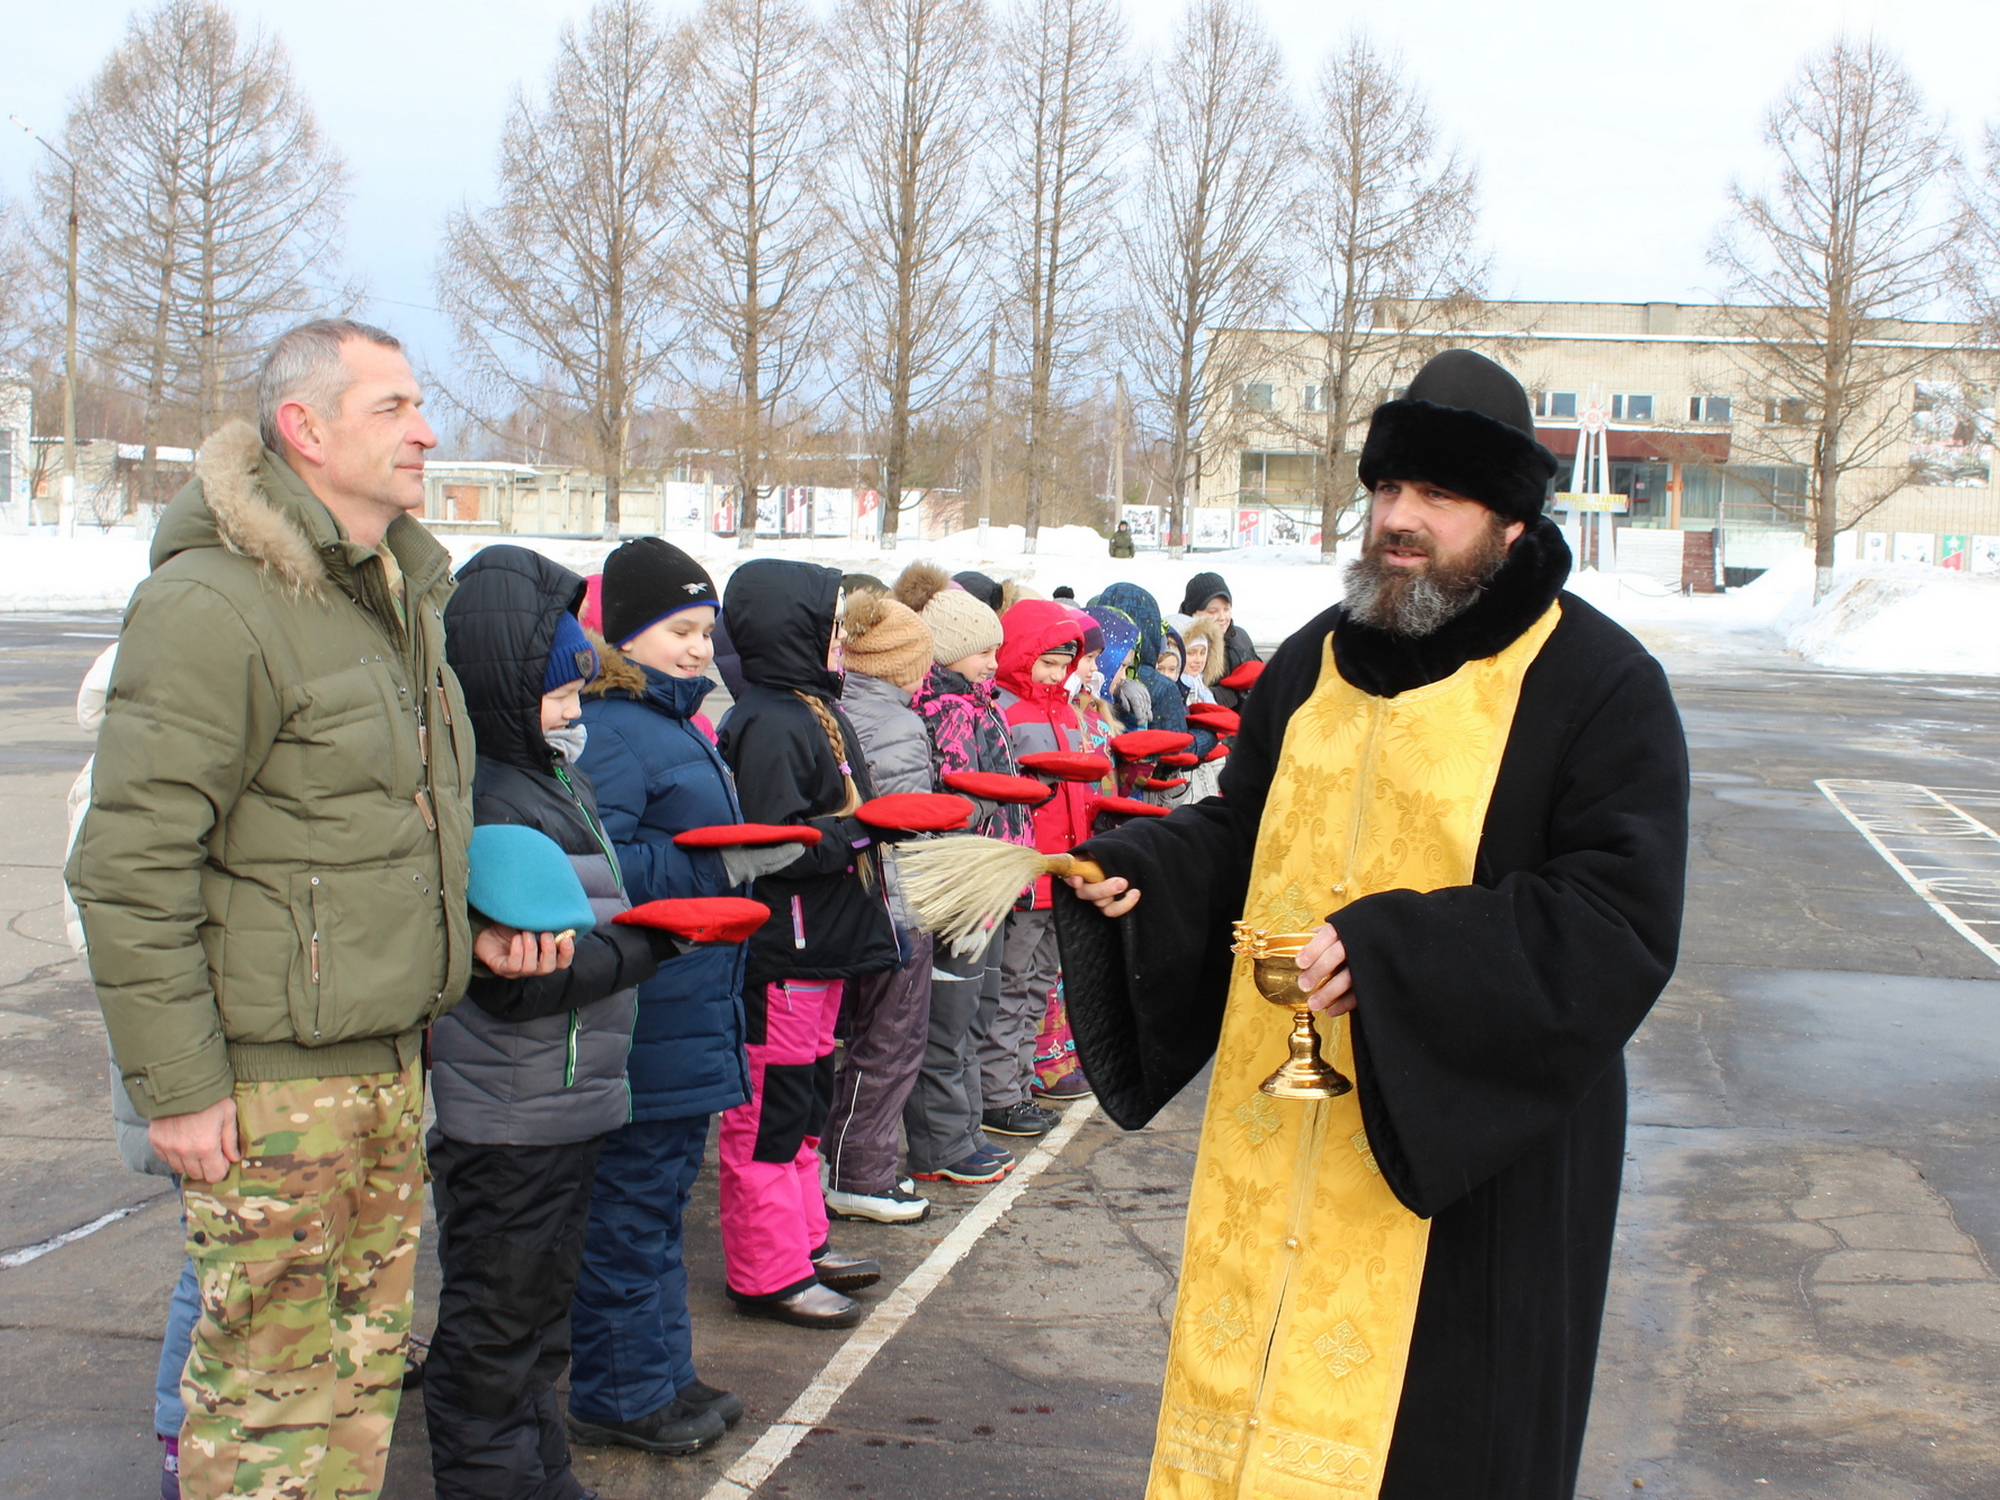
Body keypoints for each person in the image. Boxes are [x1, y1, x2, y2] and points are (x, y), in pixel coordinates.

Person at [1061, 349, 1689, 1500]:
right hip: (1278, 1132)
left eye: (1436, 496)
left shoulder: (1595, 680)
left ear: (1508, 521)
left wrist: (1398, 953)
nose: (1397, 519)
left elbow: (1617, 916)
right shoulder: (1313, 659)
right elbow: (1245, 828)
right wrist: (1146, 864)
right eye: (1386, 488)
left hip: (1464, 1161)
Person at [66, 318, 509, 1500]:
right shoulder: (216, 604)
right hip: (270, 1090)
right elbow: (130, 864)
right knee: (269, 1399)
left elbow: (364, 830)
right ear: (304, 429)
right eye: (392, 407)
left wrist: (473, 929)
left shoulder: (390, 596)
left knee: (356, 1384)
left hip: (382, 1064)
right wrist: (180, 1087)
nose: (425, 431)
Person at [427, 545, 677, 1500]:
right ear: (501, 692)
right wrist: (665, 939)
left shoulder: (550, 780)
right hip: (509, 1115)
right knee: (494, 1333)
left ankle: (543, 1477)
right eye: (559, 696)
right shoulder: (493, 797)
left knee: (538, 1326)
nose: (576, 715)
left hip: (562, 1100)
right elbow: (521, 983)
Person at [565, 538, 748, 1457]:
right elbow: (596, 866)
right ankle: (619, 1391)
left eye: (706, 631)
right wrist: (720, 862)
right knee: (628, 1213)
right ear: (625, 634)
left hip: (691, 1002)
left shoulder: (676, 723)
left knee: (661, 1203)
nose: (698, 649)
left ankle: (666, 1372)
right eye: (680, 630)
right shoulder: (610, 728)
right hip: (645, 1009)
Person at [714, 560, 900, 1328]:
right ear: (788, 628)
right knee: (771, 1112)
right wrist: (861, 831)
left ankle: (802, 1239)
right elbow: (772, 843)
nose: (838, 640)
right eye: (828, 625)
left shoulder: (814, 707)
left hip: (823, 945)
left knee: (807, 1100)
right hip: (784, 952)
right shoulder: (768, 721)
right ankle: (767, 1269)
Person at [818, 589, 938, 1224]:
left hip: (844, 900)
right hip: (896, 903)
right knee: (891, 1039)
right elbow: (910, 827)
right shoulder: (898, 724)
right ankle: (861, 1173)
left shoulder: (833, 708)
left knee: (847, 1040)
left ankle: (834, 1159)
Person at [900, 564, 1023, 1186]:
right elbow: (955, 799)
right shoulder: (946, 710)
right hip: (962, 884)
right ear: (948, 650)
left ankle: (967, 1127)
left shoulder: (979, 704)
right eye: (983, 651)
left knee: (977, 1010)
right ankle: (942, 1143)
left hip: (989, 882)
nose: (993, 663)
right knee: (948, 1018)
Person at [986, 600, 1095, 1139]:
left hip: (1062, 869)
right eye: (1046, 662)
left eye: (1062, 664)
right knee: (1011, 984)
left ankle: (1023, 1078)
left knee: (1038, 985)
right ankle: (997, 1093)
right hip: (1025, 872)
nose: (1055, 674)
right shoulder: (1003, 710)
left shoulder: (1068, 713)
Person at [1177, 571, 1263, 708]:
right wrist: (1231, 693)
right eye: (1212, 612)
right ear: (1191, 612)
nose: (1222, 617)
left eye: (1226, 609)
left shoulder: (1240, 637)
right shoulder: (1179, 641)